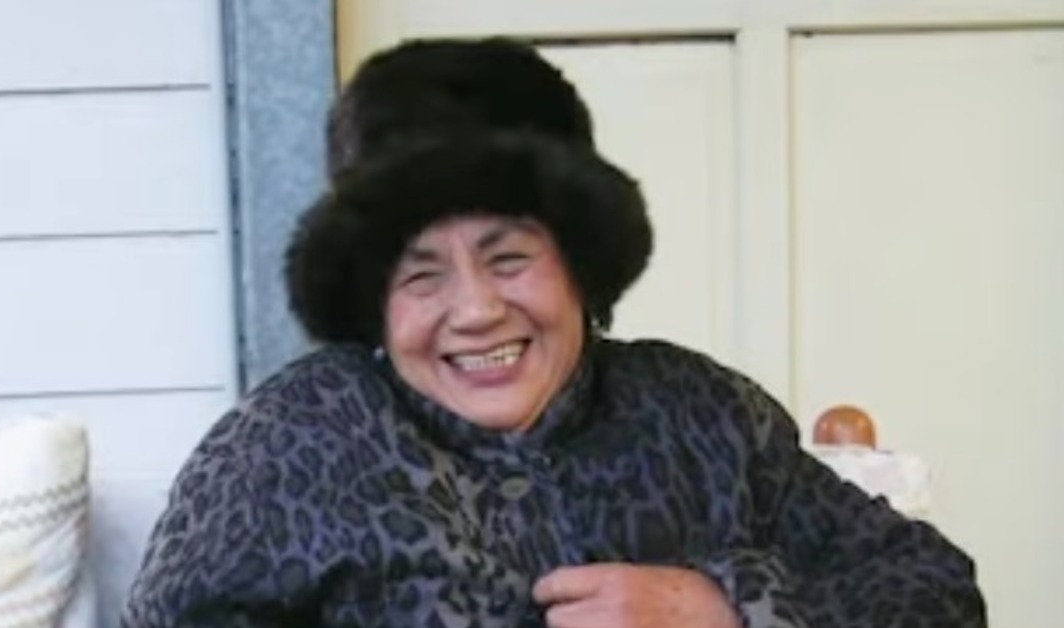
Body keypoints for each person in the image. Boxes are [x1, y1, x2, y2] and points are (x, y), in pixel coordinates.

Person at [122, 38, 985, 627]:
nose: (475, 310)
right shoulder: (291, 442)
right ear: (375, 302)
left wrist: (723, 606)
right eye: (422, 275)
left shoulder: (706, 415)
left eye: (509, 258)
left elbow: (936, 593)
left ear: (579, 261)